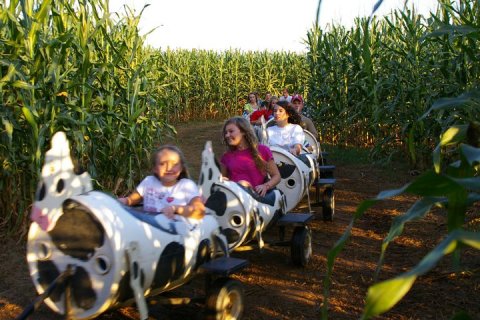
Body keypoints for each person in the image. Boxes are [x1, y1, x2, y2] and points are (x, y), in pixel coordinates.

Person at [119, 145, 205, 220]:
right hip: (149, 231)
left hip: (176, 234)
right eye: (162, 164)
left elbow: (199, 211)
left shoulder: (187, 186)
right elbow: (130, 200)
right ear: (155, 168)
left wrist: (176, 209)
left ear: (181, 167)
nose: (169, 168)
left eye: (174, 164)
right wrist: (123, 201)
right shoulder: (149, 182)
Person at [221, 117, 281, 197]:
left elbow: (276, 176)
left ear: (243, 131)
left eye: (231, 131)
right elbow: (222, 179)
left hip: (256, 199)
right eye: (226, 133)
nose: (227, 135)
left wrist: (266, 186)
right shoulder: (226, 156)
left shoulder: (262, 150)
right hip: (234, 198)